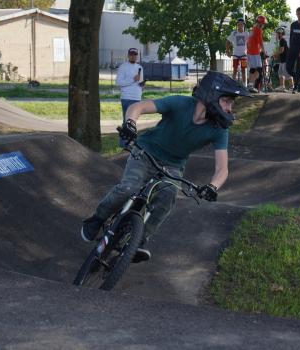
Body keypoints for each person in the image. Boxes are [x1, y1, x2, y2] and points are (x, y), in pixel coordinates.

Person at [80, 71, 251, 263]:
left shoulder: (219, 130)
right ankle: (97, 218)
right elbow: (138, 107)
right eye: (227, 101)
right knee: (129, 188)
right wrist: (130, 123)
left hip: (172, 166)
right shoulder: (180, 104)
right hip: (145, 153)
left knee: (168, 196)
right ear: (212, 96)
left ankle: (137, 242)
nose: (230, 108)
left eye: (231, 104)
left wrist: (213, 187)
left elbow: (222, 169)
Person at [115, 48, 145, 146]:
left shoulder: (140, 67)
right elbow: (118, 82)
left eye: (135, 54)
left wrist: (141, 85)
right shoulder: (123, 67)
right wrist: (133, 80)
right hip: (127, 97)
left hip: (137, 98)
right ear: (128, 55)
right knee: (127, 121)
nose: (133, 56)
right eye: (131, 54)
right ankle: (123, 144)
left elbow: (139, 83)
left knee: (133, 122)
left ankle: (131, 143)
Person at [246, 15, 267, 93]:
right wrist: (264, 52)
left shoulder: (253, 29)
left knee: (253, 69)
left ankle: (250, 85)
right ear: (260, 23)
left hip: (250, 52)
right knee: (259, 69)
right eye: (263, 24)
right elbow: (261, 42)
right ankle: (252, 85)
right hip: (254, 52)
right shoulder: (258, 30)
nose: (263, 25)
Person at [226, 18, 250, 86]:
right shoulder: (234, 33)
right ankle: (232, 85)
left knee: (243, 70)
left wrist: (249, 52)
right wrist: (228, 51)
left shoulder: (246, 33)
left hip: (244, 55)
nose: (240, 26)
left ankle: (244, 85)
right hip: (235, 54)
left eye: (241, 25)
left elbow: (249, 43)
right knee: (235, 70)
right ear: (237, 25)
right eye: (238, 25)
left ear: (244, 25)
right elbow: (228, 41)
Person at [272, 26, 294, 92]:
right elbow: (281, 51)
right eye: (277, 33)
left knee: (286, 73)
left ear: (282, 34)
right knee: (280, 72)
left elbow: (281, 50)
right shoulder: (281, 41)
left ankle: (292, 87)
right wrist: (276, 56)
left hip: (285, 60)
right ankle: (282, 86)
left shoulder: (282, 40)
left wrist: (275, 54)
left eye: (279, 33)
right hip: (282, 60)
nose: (278, 34)